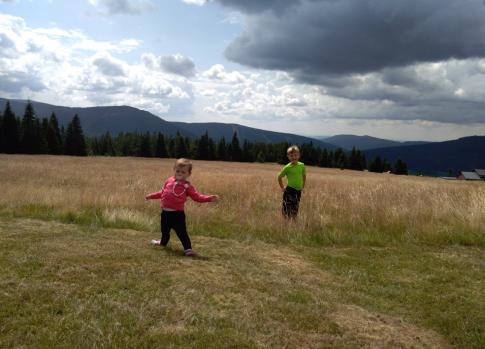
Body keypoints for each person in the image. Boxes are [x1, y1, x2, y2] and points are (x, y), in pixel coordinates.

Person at [145, 158, 218, 256]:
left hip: (177, 215)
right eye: (178, 171)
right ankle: (162, 243)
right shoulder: (169, 180)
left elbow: (197, 197)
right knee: (164, 231)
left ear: (188, 174)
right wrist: (151, 196)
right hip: (165, 213)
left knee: (182, 232)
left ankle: (188, 249)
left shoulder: (187, 186)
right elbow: (162, 193)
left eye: (183, 172)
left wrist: (208, 198)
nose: (179, 173)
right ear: (174, 169)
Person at [277, 145, 306, 219]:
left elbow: (304, 176)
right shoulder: (287, 167)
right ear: (288, 157)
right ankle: (285, 221)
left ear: (299, 155)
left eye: (295, 155)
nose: (294, 157)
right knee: (286, 206)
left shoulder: (302, 165)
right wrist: (282, 187)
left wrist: (303, 186)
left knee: (296, 206)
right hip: (289, 190)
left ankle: (293, 220)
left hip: (298, 190)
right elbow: (279, 177)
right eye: (291, 155)